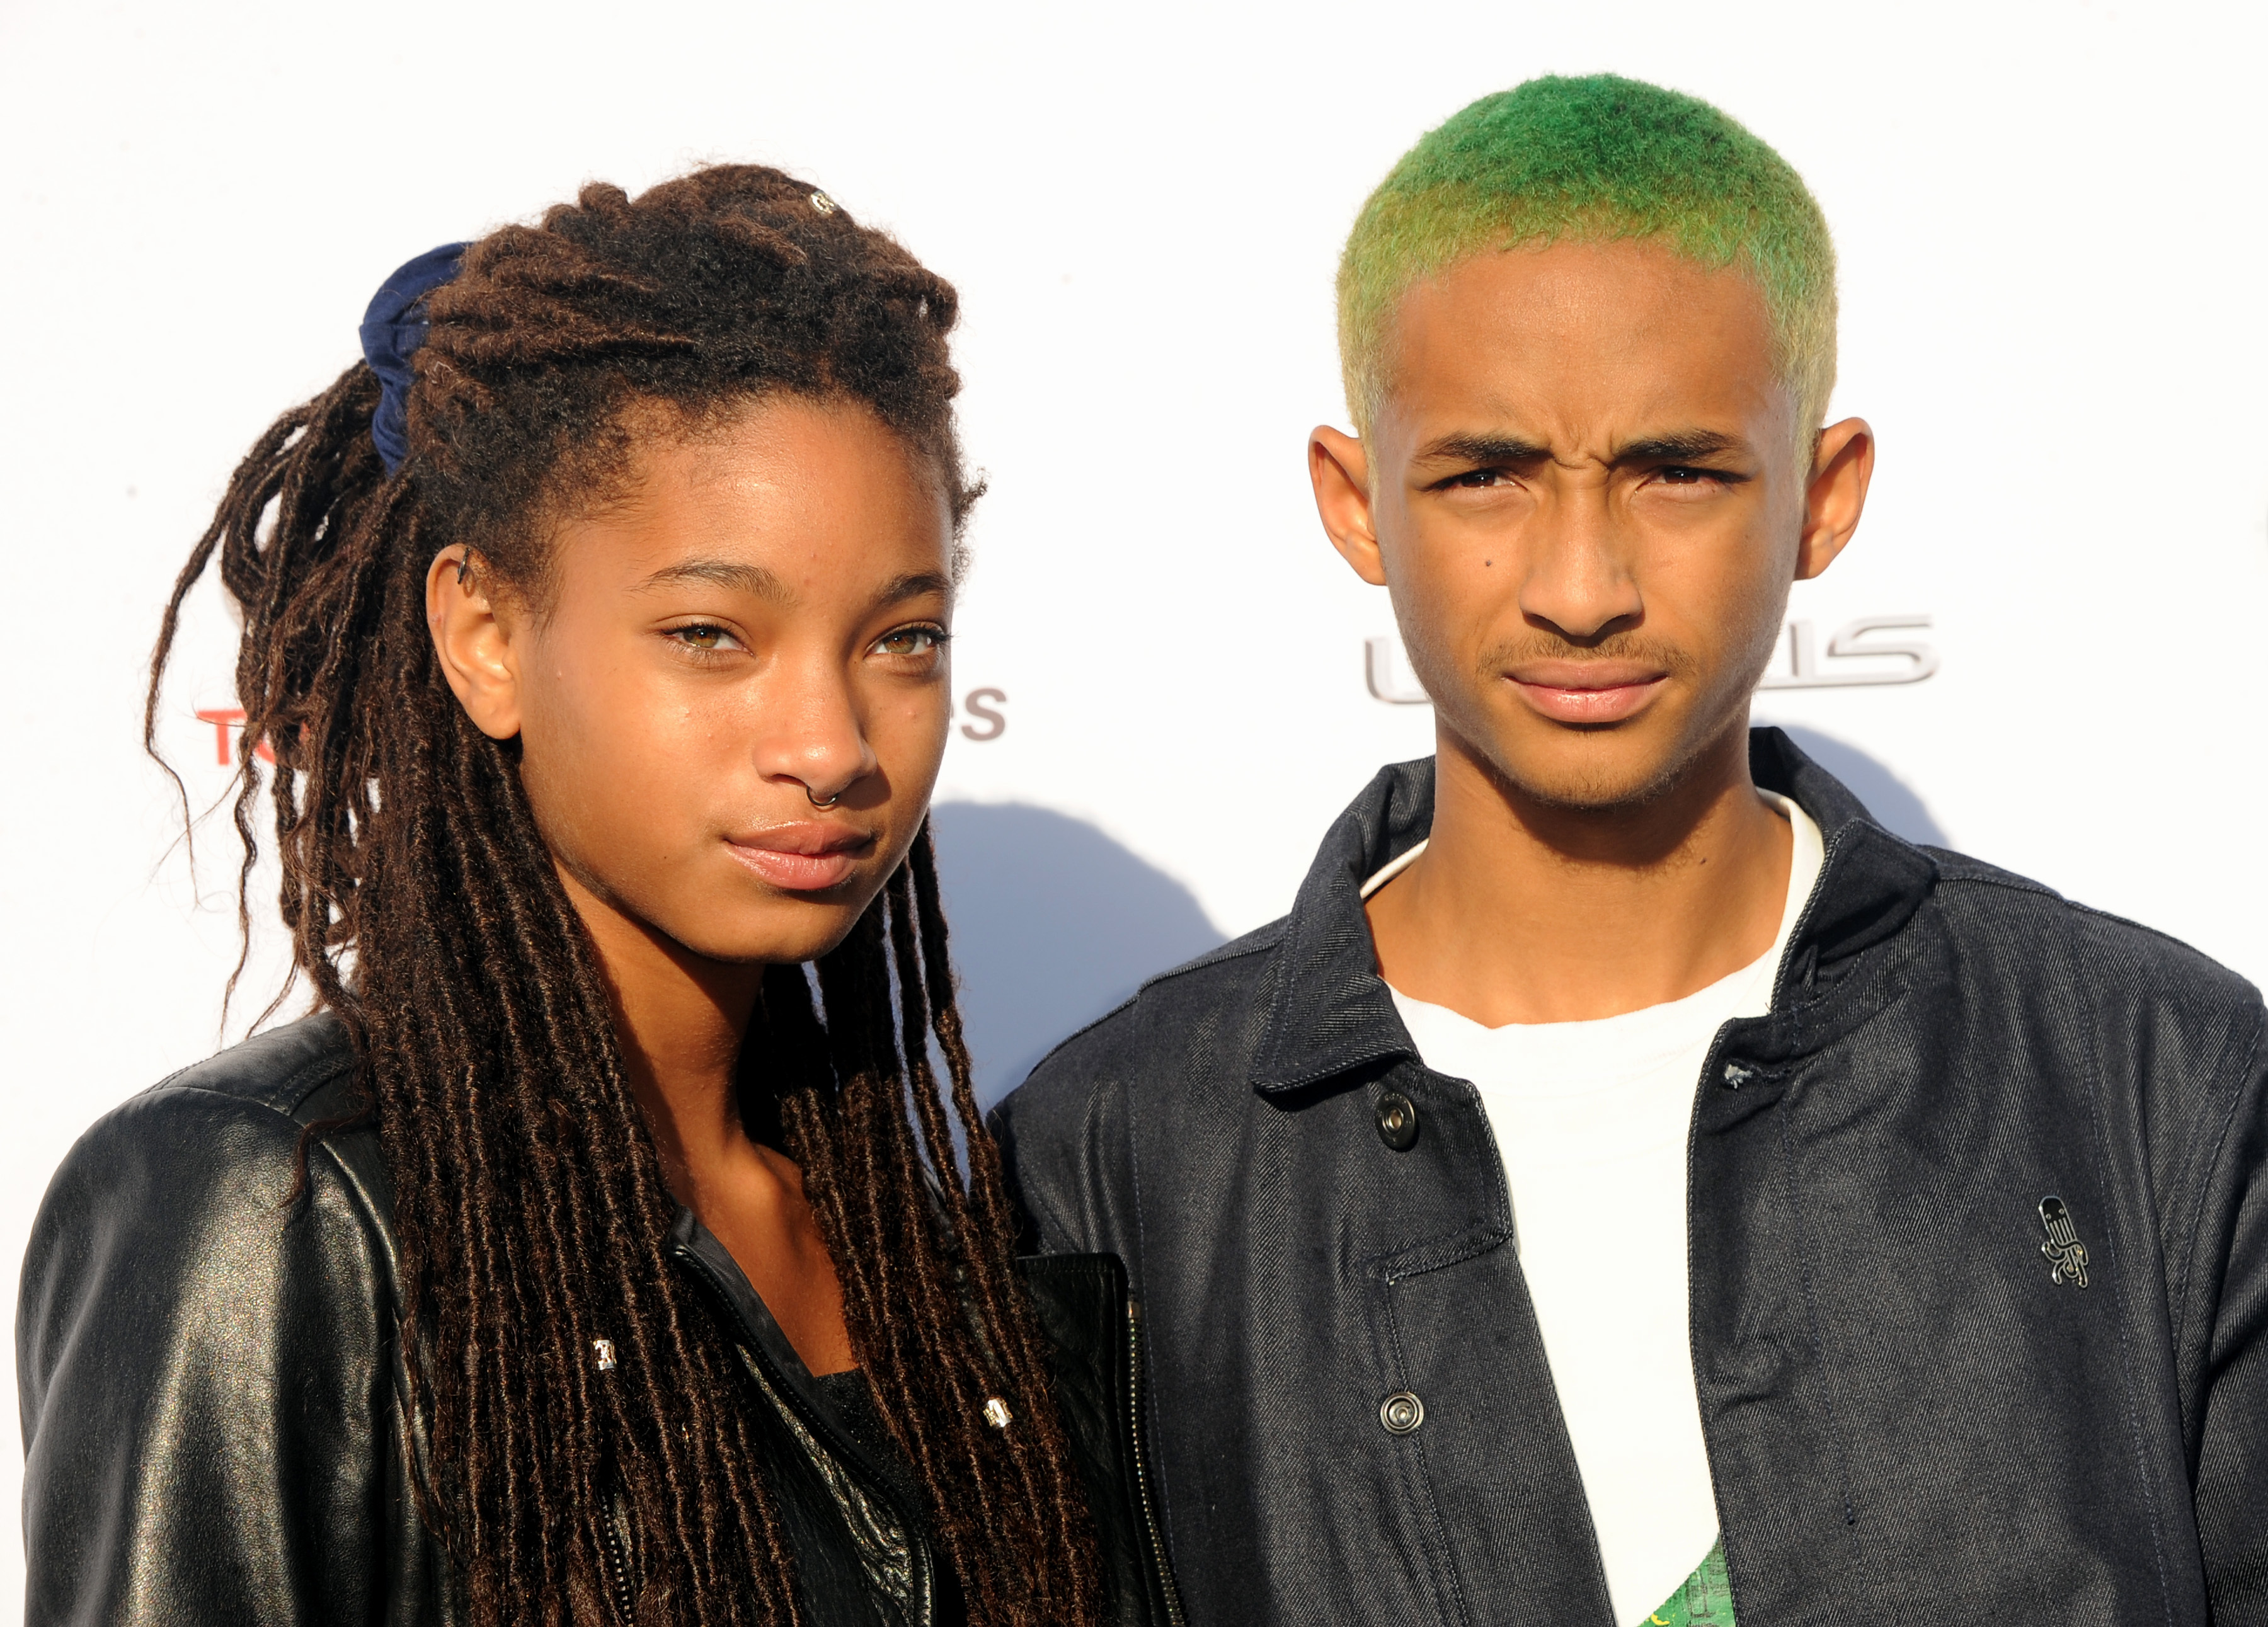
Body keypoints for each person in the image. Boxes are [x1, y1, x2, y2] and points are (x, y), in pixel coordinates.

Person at [992, 74, 2268, 1626]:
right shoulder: (1112, 1160)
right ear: (1356, 504)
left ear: (1823, 494)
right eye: (1486, 474)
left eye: (1676, 471)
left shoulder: (2158, 1080)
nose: (1582, 586)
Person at [18, 167, 1178, 1627]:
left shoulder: (935, 1241)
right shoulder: (273, 1208)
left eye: (902, 638)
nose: (826, 742)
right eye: (711, 633)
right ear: (486, 633)